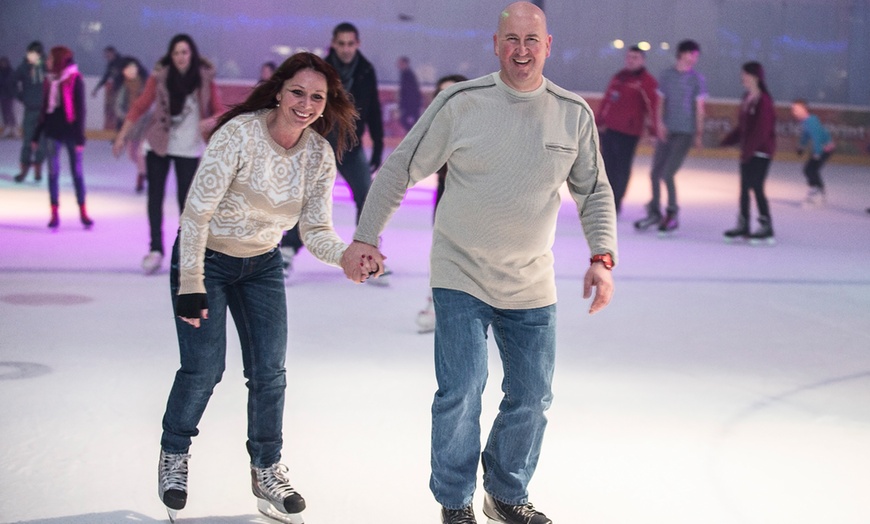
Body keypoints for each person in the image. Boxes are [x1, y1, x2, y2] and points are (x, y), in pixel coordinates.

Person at [340, 3, 617, 523]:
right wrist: (365, 237)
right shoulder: (461, 103)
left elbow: (594, 190)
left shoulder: (572, 112)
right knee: (462, 388)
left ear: (548, 45)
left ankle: (506, 492)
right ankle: (454, 501)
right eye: (511, 39)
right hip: (460, 272)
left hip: (531, 281)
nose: (521, 50)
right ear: (495, 44)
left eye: (531, 40)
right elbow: (399, 168)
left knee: (533, 395)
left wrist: (602, 257)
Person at [157, 52, 358, 524]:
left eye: (317, 97)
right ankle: (174, 455)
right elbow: (197, 213)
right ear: (279, 90)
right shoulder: (240, 134)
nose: (305, 105)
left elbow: (315, 230)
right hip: (205, 259)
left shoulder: (317, 155)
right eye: (297, 92)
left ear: (326, 104)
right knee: (205, 369)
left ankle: (266, 468)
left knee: (270, 372)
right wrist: (190, 283)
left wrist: (345, 255)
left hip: (262, 265)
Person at [280, 22, 384, 279]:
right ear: (334, 44)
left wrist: (378, 145)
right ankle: (288, 250)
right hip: (320, 145)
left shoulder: (366, 70)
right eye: (342, 43)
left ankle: (368, 256)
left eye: (351, 43)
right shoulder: (321, 70)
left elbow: (373, 110)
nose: (346, 49)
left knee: (368, 200)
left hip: (351, 147)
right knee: (305, 198)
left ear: (357, 44)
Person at [112, 34, 223, 275]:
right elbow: (141, 105)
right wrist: (122, 135)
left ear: (191, 54)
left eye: (184, 52)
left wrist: (220, 132)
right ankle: (156, 249)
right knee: (155, 197)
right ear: (170, 57)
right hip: (159, 143)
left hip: (188, 146)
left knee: (187, 201)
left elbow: (217, 110)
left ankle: (187, 251)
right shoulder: (160, 77)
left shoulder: (203, 78)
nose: (181, 57)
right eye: (176, 53)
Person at [634, 39, 707, 234]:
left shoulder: (696, 79)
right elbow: (660, 103)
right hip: (667, 130)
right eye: (693, 55)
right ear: (683, 54)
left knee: (668, 173)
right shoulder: (667, 76)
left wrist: (699, 133)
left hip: (685, 132)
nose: (694, 59)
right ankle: (655, 211)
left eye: (696, 56)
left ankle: (672, 213)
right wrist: (660, 124)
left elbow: (699, 109)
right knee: (654, 173)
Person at [415, 73, 467, 334]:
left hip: (481, 197)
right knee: (444, 250)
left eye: (455, 92)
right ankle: (436, 304)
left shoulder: (484, 124)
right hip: (446, 192)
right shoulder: (434, 125)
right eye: (442, 94)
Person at [595, 45, 660, 215]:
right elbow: (608, 100)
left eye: (635, 58)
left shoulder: (647, 81)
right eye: (629, 57)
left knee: (622, 168)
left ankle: (616, 202)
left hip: (629, 132)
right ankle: (605, 201)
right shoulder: (619, 77)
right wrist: (599, 120)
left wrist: (654, 130)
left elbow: (653, 107)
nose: (631, 60)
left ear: (642, 60)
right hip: (609, 129)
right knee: (607, 166)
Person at [31, 46, 92, 229]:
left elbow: (80, 110)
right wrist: (36, 135)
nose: (47, 62)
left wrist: (80, 137)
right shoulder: (49, 80)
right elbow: (44, 110)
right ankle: (54, 213)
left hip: (71, 133)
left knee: (77, 173)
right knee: (53, 173)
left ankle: (83, 212)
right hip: (52, 132)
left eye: (50, 59)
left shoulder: (75, 79)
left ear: (59, 60)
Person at [720, 62, 776, 245]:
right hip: (748, 151)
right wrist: (728, 140)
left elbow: (762, 130)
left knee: (757, 187)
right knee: (744, 189)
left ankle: (766, 226)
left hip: (761, 152)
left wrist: (749, 150)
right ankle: (743, 224)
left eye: (745, 74)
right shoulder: (747, 98)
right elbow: (743, 127)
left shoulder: (764, 100)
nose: (742, 77)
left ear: (755, 77)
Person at [113, 56, 149, 193]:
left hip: (146, 122)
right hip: (131, 123)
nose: (131, 70)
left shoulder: (146, 83)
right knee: (132, 154)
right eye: (128, 68)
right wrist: (126, 116)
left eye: (133, 67)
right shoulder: (124, 86)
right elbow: (118, 105)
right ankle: (144, 170)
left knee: (140, 152)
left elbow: (152, 102)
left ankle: (141, 177)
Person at [13, 41, 46, 183]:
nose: (30, 56)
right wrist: (22, 97)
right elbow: (11, 82)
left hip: (44, 112)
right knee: (27, 142)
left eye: (33, 53)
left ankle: (38, 169)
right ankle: (23, 171)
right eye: (29, 53)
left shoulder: (46, 67)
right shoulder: (23, 67)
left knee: (42, 143)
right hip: (30, 109)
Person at [791, 99, 835, 207]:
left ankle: (818, 193)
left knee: (811, 170)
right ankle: (816, 190)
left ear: (804, 109)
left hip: (825, 148)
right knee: (809, 170)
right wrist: (801, 146)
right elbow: (806, 135)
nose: (794, 112)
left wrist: (817, 153)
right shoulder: (806, 121)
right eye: (793, 109)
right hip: (821, 148)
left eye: (796, 109)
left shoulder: (811, 121)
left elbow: (817, 137)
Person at [92, 45, 125, 130]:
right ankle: (118, 130)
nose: (106, 57)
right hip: (117, 90)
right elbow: (105, 77)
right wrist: (96, 89)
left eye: (107, 55)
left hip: (124, 91)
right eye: (105, 55)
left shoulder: (122, 62)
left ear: (112, 53)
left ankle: (122, 130)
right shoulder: (111, 64)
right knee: (116, 111)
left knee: (120, 110)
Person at [397, 56, 422, 132]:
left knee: (409, 121)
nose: (398, 65)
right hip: (408, 104)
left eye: (400, 63)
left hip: (410, 104)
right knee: (406, 121)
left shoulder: (408, 75)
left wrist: (409, 105)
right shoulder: (404, 74)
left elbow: (411, 92)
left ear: (405, 63)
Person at [0, 56, 17, 138]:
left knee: (9, 111)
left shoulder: (10, 72)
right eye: (1, 62)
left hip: (9, 94)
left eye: (4, 62)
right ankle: (7, 126)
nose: (3, 64)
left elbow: (12, 82)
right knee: (4, 111)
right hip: (2, 94)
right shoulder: (1, 72)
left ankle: (13, 128)